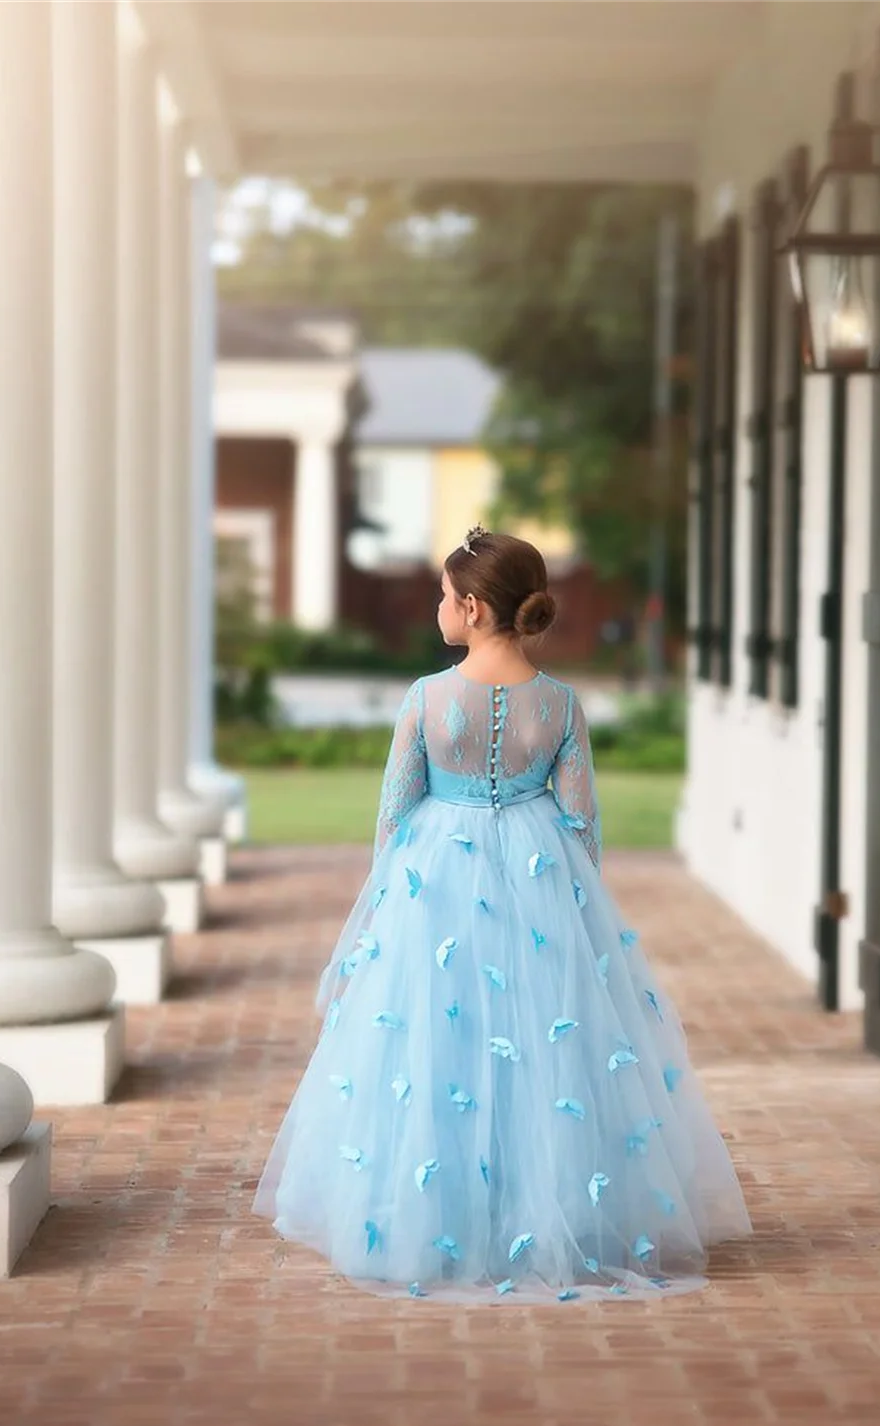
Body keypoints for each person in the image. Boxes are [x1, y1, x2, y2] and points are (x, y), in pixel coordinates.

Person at [253, 527, 751, 1301]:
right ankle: (540, 1214)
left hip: (435, 880)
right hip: (539, 872)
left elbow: (394, 814)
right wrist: (577, 910)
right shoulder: (559, 703)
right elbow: (583, 825)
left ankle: (442, 1217)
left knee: (433, 1042)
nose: (438, 607)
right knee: (538, 1044)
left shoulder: (427, 697)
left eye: (446, 597)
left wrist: (387, 902)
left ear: (475, 608)